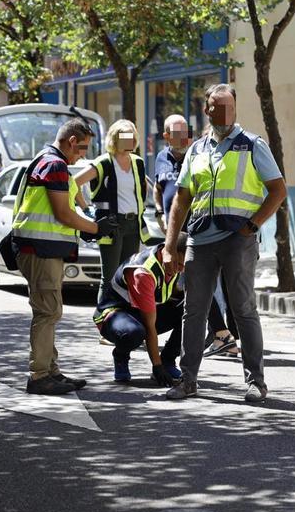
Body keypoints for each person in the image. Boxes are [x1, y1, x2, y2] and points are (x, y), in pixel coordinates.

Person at [162, 83, 287, 402]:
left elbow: (277, 189)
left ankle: (255, 381)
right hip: (200, 239)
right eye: (218, 107)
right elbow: (182, 199)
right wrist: (169, 244)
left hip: (238, 240)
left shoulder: (252, 144)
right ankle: (187, 379)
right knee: (193, 311)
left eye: (230, 108)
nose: (225, 114)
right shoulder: (197, 149)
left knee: (244, 308)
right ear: (207, 110)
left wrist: (253, 225)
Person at [12, 118, 118, 396]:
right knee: (48, 312)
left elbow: (69, 207)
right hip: (40, 250)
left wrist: (90, 224)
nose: (83, 154)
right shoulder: (55, 165)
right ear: (71, 141)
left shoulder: (47, 161)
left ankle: (51, 372)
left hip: (40, 249)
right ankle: (40, 376)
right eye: (82, 148)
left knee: (50, 311)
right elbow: (62, 214)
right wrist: (96, 229)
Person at [155, 115, 236, 357]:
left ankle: (219, 334)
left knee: (196, 284)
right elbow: (158, 188)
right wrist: (160, 212)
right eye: (176, 133)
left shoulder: (199, 154)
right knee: (186, 284)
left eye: (185, 132)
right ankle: (216, 334)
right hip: (173, 232)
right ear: (166, 136)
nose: (183, 138)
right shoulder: (161, 158)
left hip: (196, 230)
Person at [93, 235, 186, 386]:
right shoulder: (143, 273)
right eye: (178, 264)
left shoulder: (173, 263)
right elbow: (150, 326)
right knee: (133, 333)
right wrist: (157, 367)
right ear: (167, 252)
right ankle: (121, 355)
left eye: (184, 265)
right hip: (113, 316)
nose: (180, 270)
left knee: (191, 313)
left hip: (140, 312)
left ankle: (168, 360)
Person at [75, 119, 150, 303]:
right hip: (111, 227)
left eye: (132, 137)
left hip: (133, 226)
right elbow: (73, 183)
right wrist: (86, 209)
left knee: (127, 277)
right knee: (109, 279)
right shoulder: (103, 163)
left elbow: (142, 188)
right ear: (115, 139)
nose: (130, 141)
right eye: (125, 137)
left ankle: (122, 320)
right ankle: (104, 323)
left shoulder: (138, 163)